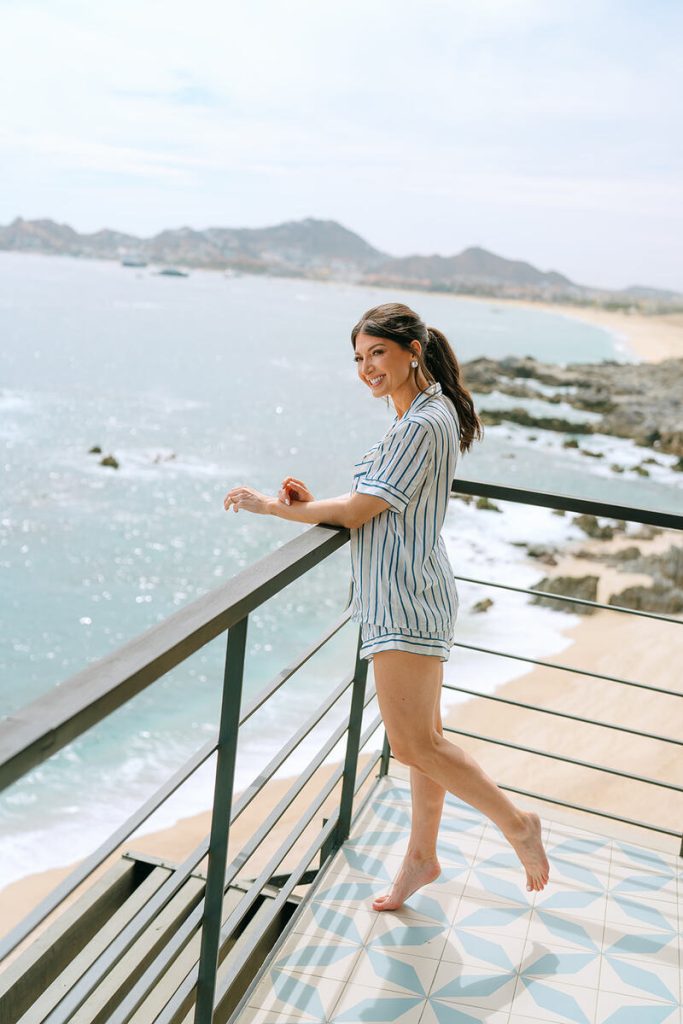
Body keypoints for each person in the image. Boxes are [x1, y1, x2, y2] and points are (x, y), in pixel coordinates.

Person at [223, 301, 550, 907]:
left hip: (404, 596)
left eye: (377, 353)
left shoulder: (423, 422)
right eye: (358, 357)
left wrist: (277, 508)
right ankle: (421, 859)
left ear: (412, 350)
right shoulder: (422, 415)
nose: (367, 367)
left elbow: (360, 511)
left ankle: (516, 824)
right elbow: (372, 508)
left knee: (413, 745)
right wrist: (317, 503)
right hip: (406, 588)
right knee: (426, 738)